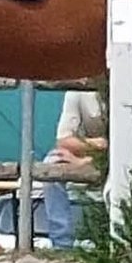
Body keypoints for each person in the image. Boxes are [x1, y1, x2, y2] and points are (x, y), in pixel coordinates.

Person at [43, 90, 108, 250]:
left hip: (118, 157)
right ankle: (61, 243)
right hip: (87, 155)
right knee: (51, 164)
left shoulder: (131, 86)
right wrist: (96, 144)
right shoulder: (77, 91)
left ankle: (113, 240)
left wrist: (85, 160)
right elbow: (63, 140)